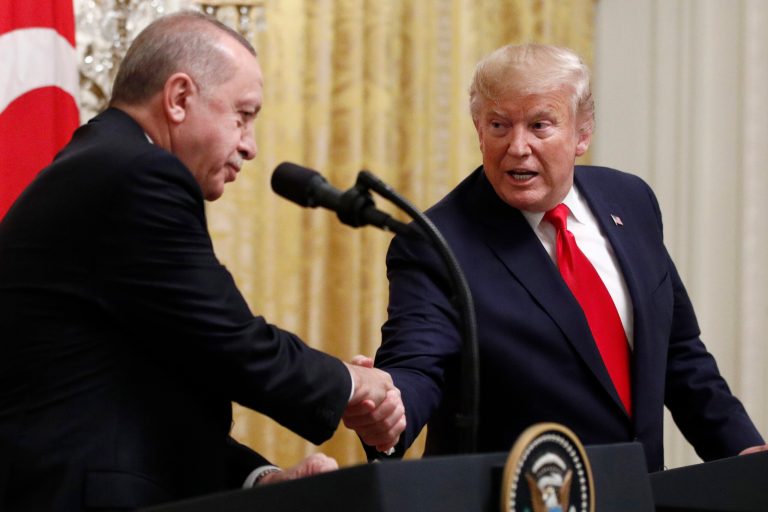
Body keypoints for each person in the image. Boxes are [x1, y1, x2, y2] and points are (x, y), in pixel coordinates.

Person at [0, 11, 404, 511]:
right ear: (179, 98)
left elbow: (155, 385)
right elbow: (231, 342)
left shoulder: (105, 164)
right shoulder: (136, 174)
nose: (250, 147)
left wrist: (258, 479)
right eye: (243, 115)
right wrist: (351, 383)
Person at [363, 43, 765, 470]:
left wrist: (744, 454)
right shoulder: (436, 242)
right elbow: (418, 365)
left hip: (638, 494)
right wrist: (391, 410)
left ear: (582, 133)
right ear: (478, 130)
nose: (517, 146)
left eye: (540, 125)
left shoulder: (631, 200)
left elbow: (678, 352)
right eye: (499, 125)